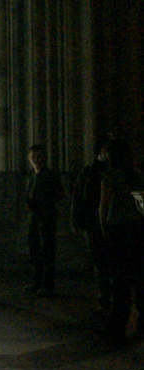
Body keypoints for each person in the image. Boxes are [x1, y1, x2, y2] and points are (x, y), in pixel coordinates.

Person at [99, 137, 144, 343]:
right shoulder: (137, 176)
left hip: (117, 228)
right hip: (136, 228)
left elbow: (104, 205)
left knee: (119, 279)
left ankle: (119, 325)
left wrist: (103, 228)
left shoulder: (109, 175)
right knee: (138, 275)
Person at [70, 134, 112, 313]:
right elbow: (78, 196)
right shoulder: (89, 171)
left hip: (113, 223)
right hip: (93, 223)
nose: (104, 153)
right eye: (102, 150)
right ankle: (104, 300)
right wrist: (75, 219)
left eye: (107, 150)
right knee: (100, 263)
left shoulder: (116, 172)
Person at [24, 144, 64, 297]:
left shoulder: (50, 175)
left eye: (38, 157)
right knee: (34, 247)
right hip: (34, 215)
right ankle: (36, 282)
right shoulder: (31, 175)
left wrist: (45, 203)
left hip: (46, 216)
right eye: (33, 157)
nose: (36, 160)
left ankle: (47, 285)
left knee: (47, 249)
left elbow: (60, 194)